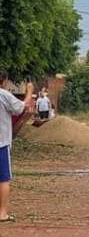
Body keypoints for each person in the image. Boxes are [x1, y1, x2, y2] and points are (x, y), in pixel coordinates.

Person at [0, 72, 33, 223]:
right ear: (4, 81)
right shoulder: (3, 95)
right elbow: (21, 108)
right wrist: (30, 91)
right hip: (1, 143)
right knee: (3, 179)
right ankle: (2, 214)